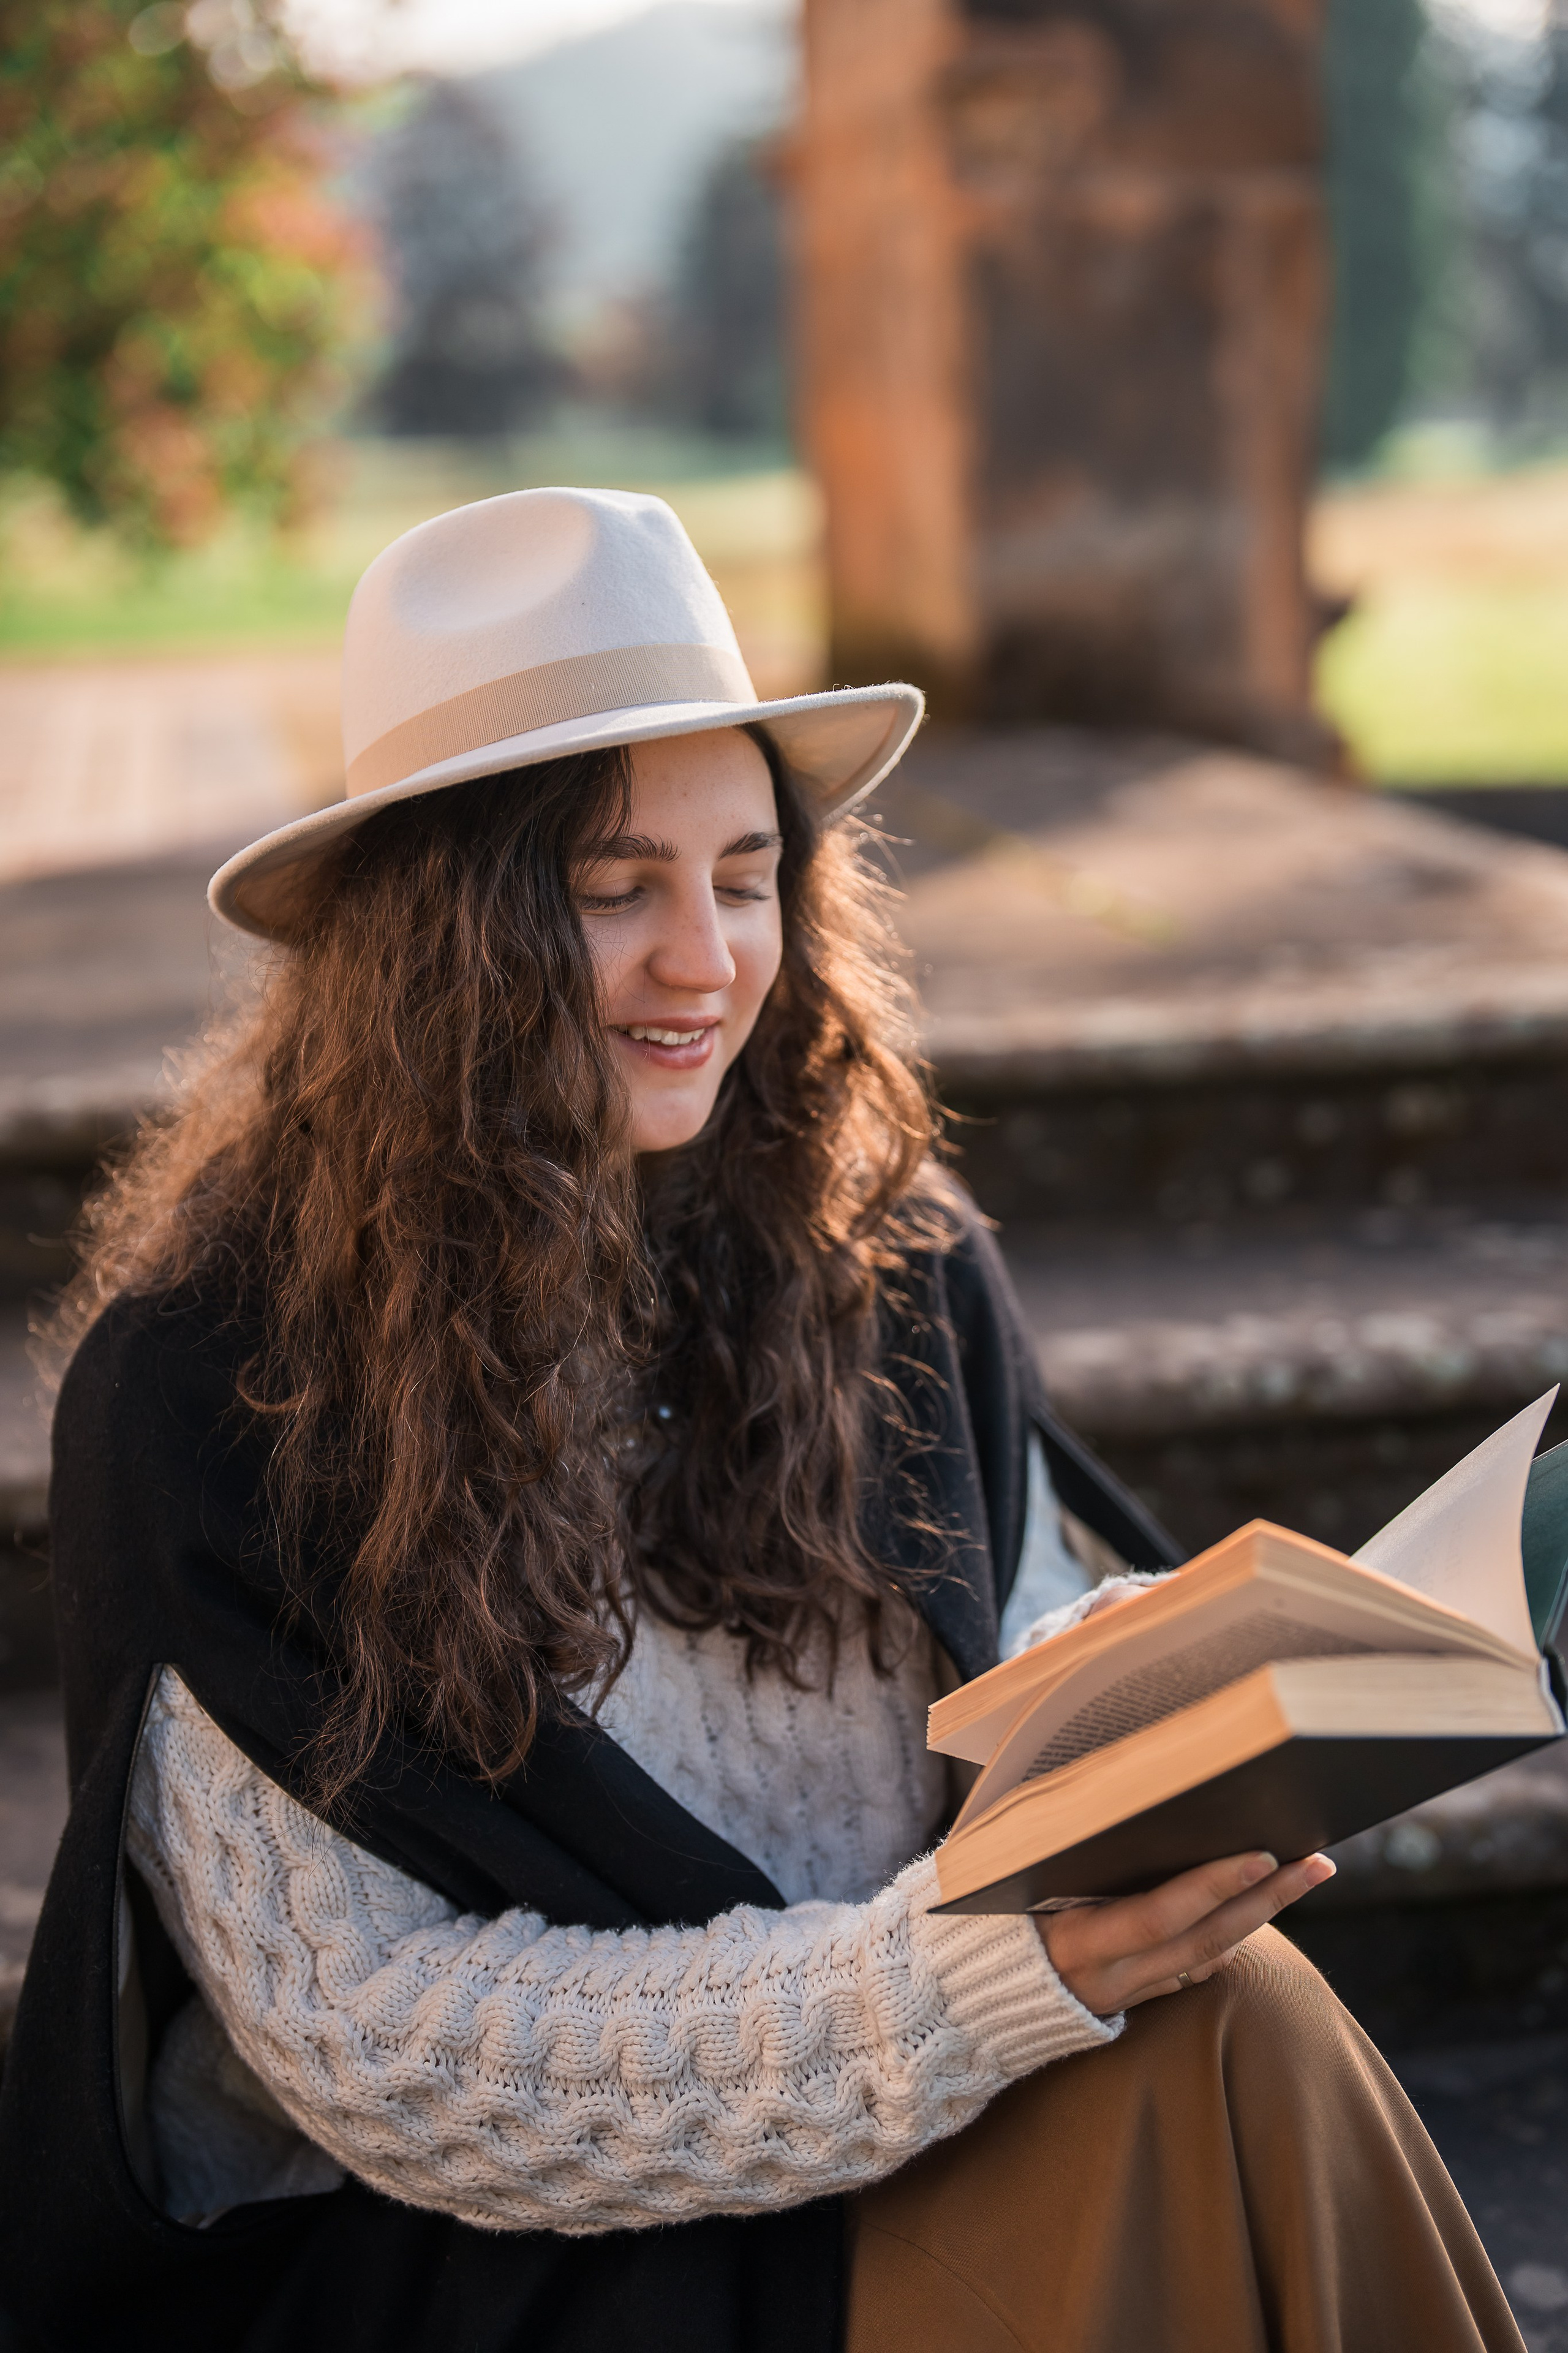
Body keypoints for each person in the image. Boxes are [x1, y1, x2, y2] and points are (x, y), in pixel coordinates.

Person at [0, 490, 1524, 2353]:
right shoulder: (219, 1389)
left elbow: (1032, 1629)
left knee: (1241, 2012)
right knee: (1223, 2079)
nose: (708, 963)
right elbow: (378, 2048)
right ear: (432, 933)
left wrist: (1168, 1730)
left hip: (919, 2097)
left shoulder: (881, 1262)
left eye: (745, 877)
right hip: (514, 2257)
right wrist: (956, 1989)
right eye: (609, 885)